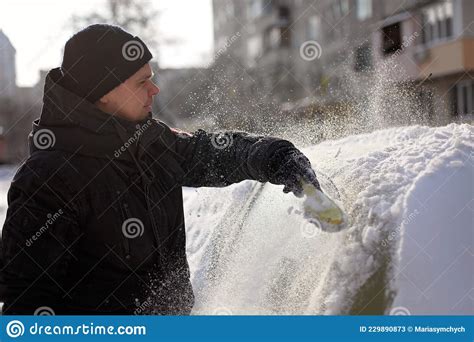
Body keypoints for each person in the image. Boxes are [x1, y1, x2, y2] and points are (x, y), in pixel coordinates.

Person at [0, 24, 320, 315]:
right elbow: (25, 304)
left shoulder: (149, 141)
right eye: (143, 82)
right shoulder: (49, 178)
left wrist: (274, 157)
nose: (155, 90)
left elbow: (208, 152)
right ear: (104, 92)